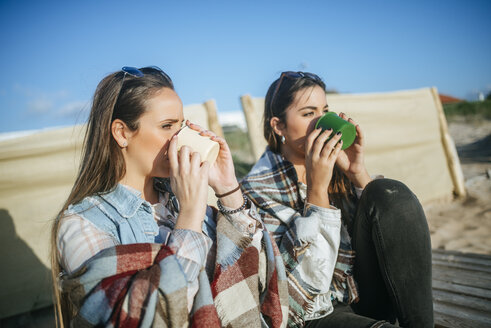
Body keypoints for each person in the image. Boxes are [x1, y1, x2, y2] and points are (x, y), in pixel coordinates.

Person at [50, 66, 288, 328]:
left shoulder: (177, 201)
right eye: (167, 126)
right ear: (121, 133)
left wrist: (228, 188)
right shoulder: (83, 224)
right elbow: (139, 319)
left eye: (182, 125)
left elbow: (258, 274)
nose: (180, 139)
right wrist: (189, 217)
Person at [241, 71, 434, 328]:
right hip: (311, 312)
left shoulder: (336, 167)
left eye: (325, 111)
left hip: (356, 290)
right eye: (308, 113)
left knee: (389, 192)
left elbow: (382, 229)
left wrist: (357, 173)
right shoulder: (255, 192)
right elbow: (296, 293)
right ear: (279, 126)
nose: (321, 122)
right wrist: (317, 190)